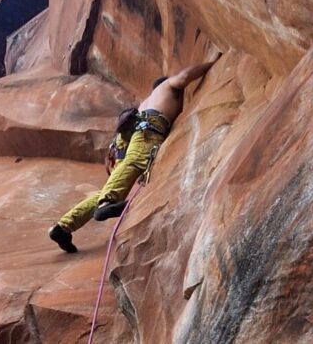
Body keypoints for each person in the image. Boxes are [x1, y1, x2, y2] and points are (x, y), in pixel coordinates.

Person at [49, 53, 221, 253]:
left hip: (130, 140)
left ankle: (63, 227)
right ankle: (107, 203)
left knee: (112, 184)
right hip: (148, 131)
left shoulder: (144, 103)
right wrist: (210, 63)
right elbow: (183, 77)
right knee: (136, 163)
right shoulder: (165, 88)